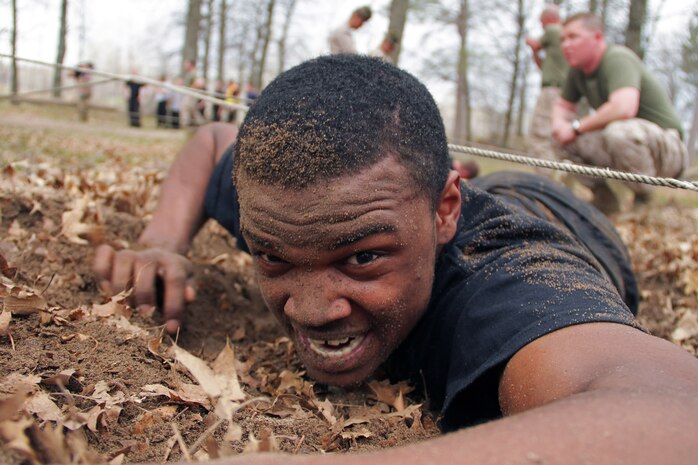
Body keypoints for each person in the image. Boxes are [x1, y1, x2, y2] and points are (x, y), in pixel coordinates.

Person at [94, 55, 698, 464]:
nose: (310, 310)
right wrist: (161, 243)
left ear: (444, 213)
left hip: (563, 214)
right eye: (272, 259)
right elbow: (211, 142)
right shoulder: (296, 200)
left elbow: (678, 412)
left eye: (361, 259)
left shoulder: (506, 283)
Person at [552, 12, 689, 213]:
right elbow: (562, 106)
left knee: (618, 132)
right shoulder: (577, 72)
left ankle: (644, 200)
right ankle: (605, 199)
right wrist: (560, 127)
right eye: (563, 39)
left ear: (597, 38)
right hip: (625, 144)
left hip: (668, 148)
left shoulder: (617, 58)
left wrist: (575, 127)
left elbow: (624, 107)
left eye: (573, 37)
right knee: (563, 140)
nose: (565, 45)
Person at [525, 4, 569, 169]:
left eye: (541, 22)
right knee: (556, 137)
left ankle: (544, 178)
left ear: (549, 18)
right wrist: (534, 51)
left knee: (540, 135)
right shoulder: (563, 39)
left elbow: (536, 44)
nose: (542, 26)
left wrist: (529, 41)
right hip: (563, 92)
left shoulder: (553, 30)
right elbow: (541, 65)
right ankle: (560, 172)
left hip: (552, 90)